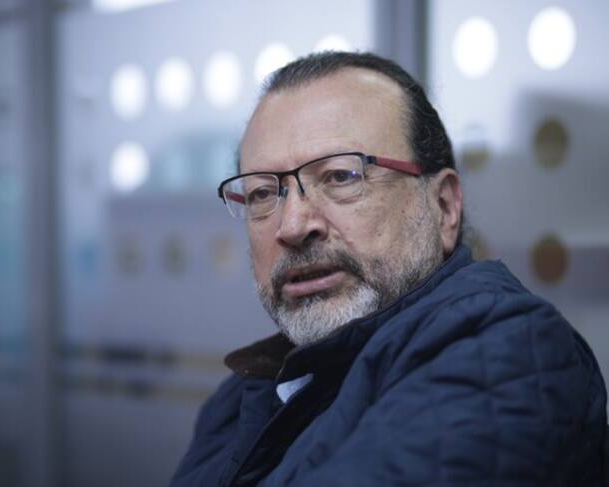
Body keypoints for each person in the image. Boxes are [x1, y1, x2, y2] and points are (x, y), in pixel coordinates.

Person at [170, 51, 608, 486]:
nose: (294, 226)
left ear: (444, 206)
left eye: (341, 176)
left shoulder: (505, 349)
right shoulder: (238, 399)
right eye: (263, 194)